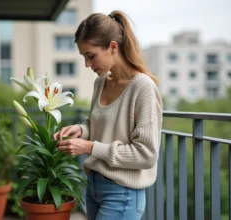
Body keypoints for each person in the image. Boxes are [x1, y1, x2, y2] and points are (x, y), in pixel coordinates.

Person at [54, 10, 163, 220]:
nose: (87, 64)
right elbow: (97, 125)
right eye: (84, 57)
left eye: (91, 55)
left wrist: (90, 147)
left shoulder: (143, 88)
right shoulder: (100, 82)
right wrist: (81, 130)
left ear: (113, 47)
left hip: (122, 193)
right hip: (94, 185)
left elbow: (146, 154)